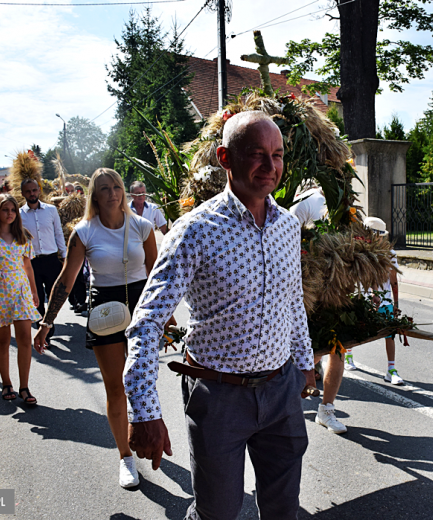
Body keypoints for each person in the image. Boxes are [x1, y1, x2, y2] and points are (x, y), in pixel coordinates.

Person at [124, 111, 316, 519]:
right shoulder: (195, 230)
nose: (270, 166)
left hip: (280, 391)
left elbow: (292, 302)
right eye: (257, 154)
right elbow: (148, 320)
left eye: (278, 155)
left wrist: (303, 362)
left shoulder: (287, 226)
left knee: (284, 508)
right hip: (219, 396)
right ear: (225, 158)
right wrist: (144, 410)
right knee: (218, 511)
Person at [33, 168, 158, 488]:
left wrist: (166, 314)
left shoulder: (143, 226)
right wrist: (47, 321)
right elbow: (66, 279)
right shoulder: (84, 232)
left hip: (141, 307)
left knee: (143, 383)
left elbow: (159, 276)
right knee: (116, 387)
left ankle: (150, 436)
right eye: (104, 188)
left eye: (117, 186)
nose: (113, 192)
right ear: (95, 196)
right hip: (104, 311)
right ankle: (125, 457)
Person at [290, 185, 348, 434]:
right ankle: (287, 405)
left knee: (338, 347)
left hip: (335, 288)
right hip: (307, 288)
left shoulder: (345, 206)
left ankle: (326, 410)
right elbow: (287, 242)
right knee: (307, 348)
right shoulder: (305, 204)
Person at [0, 194, 43, 404]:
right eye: (5, 210)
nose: (10, 214)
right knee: (3, 341)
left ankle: (24, 387)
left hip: (20, 292)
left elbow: (28, 266)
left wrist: (34, 291)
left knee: (24, 338)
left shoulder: (22, 236)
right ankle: (6, 383)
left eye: (13, 210)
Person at [345, 217, 404, 385]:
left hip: (384, 301)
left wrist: (396, 305)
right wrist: (370, 294)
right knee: (353, 330)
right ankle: (348, 357)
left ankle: (391, 369)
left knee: (390, 333)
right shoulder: (358, 252)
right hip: (362, 299)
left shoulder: (390, 254)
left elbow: (394, 280)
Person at [19, 179, 67, 341]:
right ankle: (44, 326)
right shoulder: (19, 215)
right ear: (23, 193)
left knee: (53, 294)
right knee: (36, 296)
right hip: (31, 262)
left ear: (39, 191)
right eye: (28, 191)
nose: (32, 194)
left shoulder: (51, 210)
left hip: (51, 259)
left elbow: (58, 233)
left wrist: (64, 255)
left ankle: (49, 320)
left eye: (34, 190)